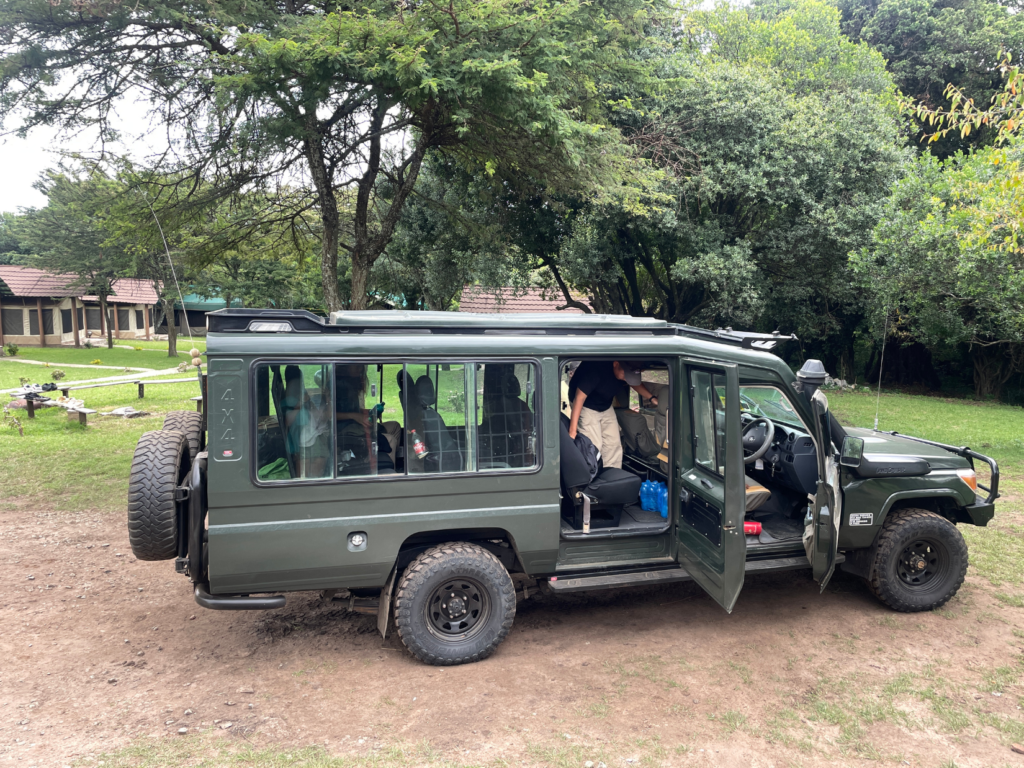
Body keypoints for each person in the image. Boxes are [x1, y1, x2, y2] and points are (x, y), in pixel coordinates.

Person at [568, 360, 659, 470]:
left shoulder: (627, 369)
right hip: (585, 405)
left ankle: (612, 476)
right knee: (594, 445)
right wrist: (572, 431)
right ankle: (591, 479)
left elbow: (634, 383)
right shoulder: (595, 369)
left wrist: (652, 398)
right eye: (626, 376)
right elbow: (579, 398)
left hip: (605, 404)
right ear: (616, 364)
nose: (627, 379)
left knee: (613, 444)